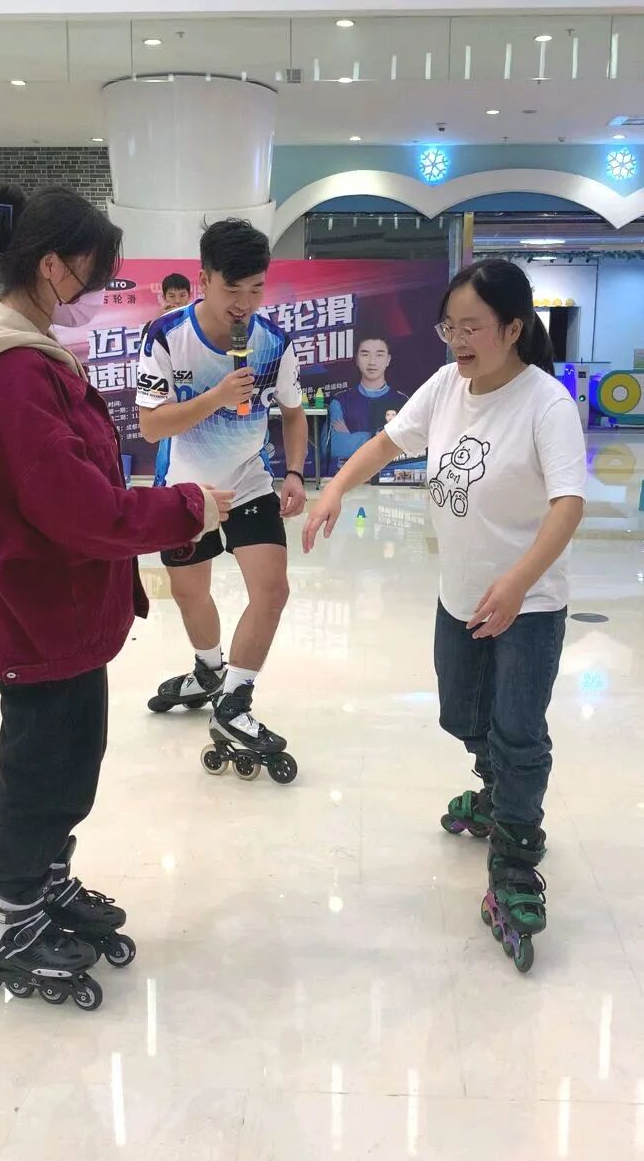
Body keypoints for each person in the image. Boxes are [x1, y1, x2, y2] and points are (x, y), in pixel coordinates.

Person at [0, 184, 231, 1009]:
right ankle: (8, 917)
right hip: (34, 611)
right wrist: (184, 507)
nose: (102, 292)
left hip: (56, 610)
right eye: (96, 275)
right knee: (39, 771)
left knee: (70, 764)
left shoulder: (24, 355)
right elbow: (75, 507)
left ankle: (44, 880)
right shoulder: (10, 374)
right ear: (51, 267)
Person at [304, 259, 586, 972]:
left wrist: (519, 581)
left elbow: (568, 503)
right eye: (448, 327)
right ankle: (496, 790)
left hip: (527, 603)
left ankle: (515, 856)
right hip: (458, 594)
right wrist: (334, 488)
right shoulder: (446, 386)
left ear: (513, 329)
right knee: (462, 714)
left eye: (472, 327)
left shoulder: (545, 403)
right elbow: (385, 442)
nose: (457, 341)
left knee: (518, 730)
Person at [137, 218, 308, 757]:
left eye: (256, 289)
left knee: (273, 591)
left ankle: (234, 702)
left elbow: (293, 412)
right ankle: (208, 668)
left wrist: (295, 472)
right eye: (232, 289)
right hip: (186, 488)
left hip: (250, 481)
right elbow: (151, 426)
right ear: (203, 279)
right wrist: (216, 396)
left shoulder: (274, 342)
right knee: (190, 592)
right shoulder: (165, 336)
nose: (244, 304)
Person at [326, 328, 408, 471]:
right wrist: (382, 439)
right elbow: (334, 447)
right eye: (365, 354)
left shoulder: (402, 401)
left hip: (389, 477)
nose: (372, 362)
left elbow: (407, 445)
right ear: (357, 359)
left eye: (379, 355)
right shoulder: (341, 401)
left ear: (388, 359)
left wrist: (352, 437)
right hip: (350, 476)